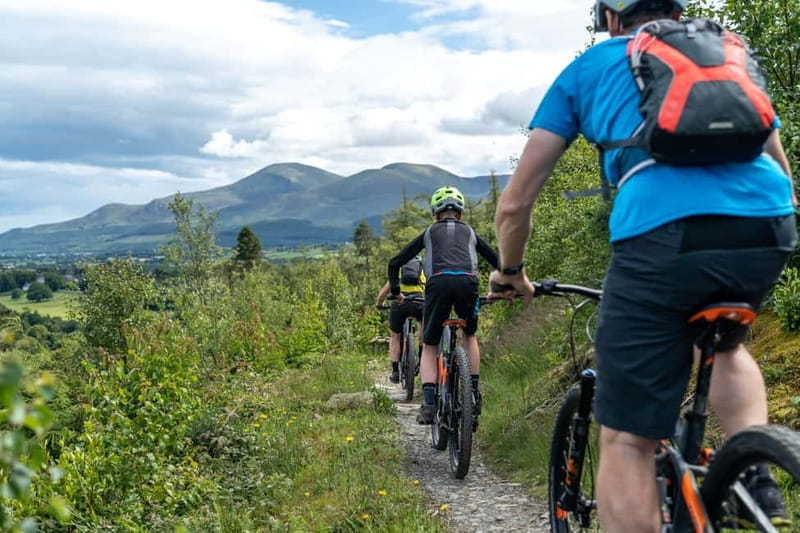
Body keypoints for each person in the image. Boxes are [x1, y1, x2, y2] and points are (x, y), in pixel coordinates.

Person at [490, 1, 797, 531]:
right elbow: (779, 165)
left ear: (611, 19)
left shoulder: (591, 66)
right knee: (728, 345)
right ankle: (756, 480)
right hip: (767, 225)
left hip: (661, 236)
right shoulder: (724, 50)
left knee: (627, 438)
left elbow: (515, 205)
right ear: (678, 11)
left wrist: (511, 271)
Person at [388, 186, 500, 424]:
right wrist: (500, 289)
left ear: (435, 213)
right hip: (468, 284)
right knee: (469, 335)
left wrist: (396, 291)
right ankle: (473, 394)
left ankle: (429, 405)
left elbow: (395, 262)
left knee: (430, 344)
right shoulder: (470, 232)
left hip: (437, 285)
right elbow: (498, 262)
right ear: (460, 212)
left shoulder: (429, 232)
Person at [375, 255, 425, 384]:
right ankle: (421, 359)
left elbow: (385, 291)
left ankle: (395, 372)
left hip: (400, 302)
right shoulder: (423, 270)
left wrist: (379, 304)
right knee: (422, 325)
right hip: (419, 302)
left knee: (395, 336)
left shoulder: (399, 270)